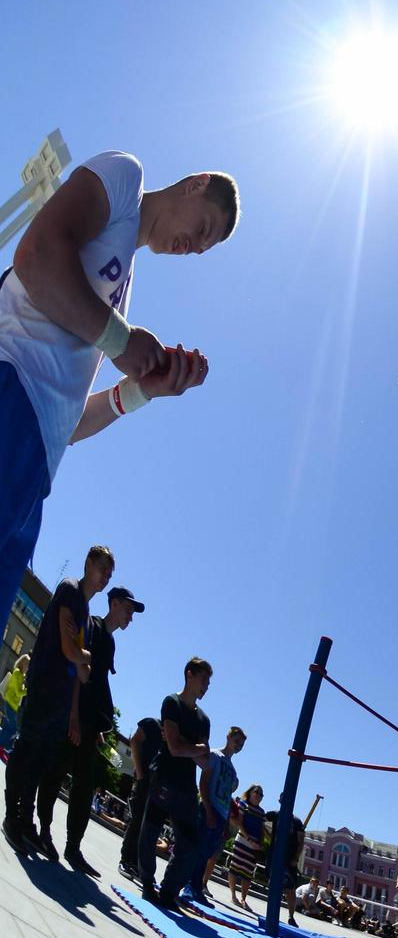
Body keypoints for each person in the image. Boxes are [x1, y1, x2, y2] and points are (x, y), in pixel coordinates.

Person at [0, 153, 235, 622]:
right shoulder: (127, 179)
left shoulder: (124, 284)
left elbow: (66, 423)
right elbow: (36, 255)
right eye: (203, 229)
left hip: (38, 465)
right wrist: (120, 341)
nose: (193, 247)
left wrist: (141, 391)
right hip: (10, 391)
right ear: (195, 182)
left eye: (201, 251)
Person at [3, 544, 110, 853]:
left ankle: (26, 819)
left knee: (40, 761)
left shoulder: (87, 616)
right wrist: (84, 656)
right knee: (26, 750)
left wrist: (75, 711)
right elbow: (69, 652)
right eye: (102, 568)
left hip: (63, 697)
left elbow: (85, 675)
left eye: (109, 573)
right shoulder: (70, 590)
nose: (104, 577)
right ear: (88, 563)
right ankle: (12, 816)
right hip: (47, 681)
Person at [35, 584, 140, 874]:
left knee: (84, 784)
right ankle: (43, 828)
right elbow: (78, 674)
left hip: (91, 722)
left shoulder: (110, 643)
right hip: (75, 715)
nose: (131, 616)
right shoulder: (92, 627)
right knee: (56, 771)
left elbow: (99, 683)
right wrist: (73, 717)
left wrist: (99, 726)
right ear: (115, 604)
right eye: (129, 609)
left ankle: (73, 847)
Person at [137, 656, 213, 911]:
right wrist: (197, 748)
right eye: (203, 679)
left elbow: (204, 762)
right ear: (189, 675)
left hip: (186, 787)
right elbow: (174, 747)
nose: (206, 685)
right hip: (165, 778)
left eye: (209, 682)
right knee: (150, 831)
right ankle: (147, 883)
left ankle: (169, 892)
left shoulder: (204, 720)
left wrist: (190, 747)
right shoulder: (172, 703)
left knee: (190, 844)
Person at [183, 725, 245, 906]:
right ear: (229, 739)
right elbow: (204, 782)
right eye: (237, 741)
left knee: (207, 853)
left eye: (241, 744)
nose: (238, 745)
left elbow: (228, 794)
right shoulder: (215, 756)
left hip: (222, 813)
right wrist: (208, 809)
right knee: (198, 849)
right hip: (209, 809)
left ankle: (197, 887)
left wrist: (225, 820)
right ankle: (187, 886)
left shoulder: (232, 770)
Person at [119, 714, 164, 879]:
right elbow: (135, 741)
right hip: (145, 778)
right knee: (137, 820)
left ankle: (138, 863)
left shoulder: (174, 736)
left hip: (159, 786)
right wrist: (139, 772)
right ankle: (125, 859)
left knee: (150, 826)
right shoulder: (152, 724)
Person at [264, 807, 306, 926]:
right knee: (273, 884)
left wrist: (296, 858)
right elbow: (260, 820)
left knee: (290, 889)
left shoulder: (296, 821)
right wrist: (269, 837)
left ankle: (291, 917)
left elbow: (301, 841)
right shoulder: (275, 815)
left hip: (289, 859)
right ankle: (271, 913)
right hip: (275, 856)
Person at [228, 784, 267, 911]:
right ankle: (233, 895)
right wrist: (249, 839)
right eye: (257, 792)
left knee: (248, 873)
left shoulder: (262, 812)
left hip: (254, 845)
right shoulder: (243, 805)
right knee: (235, 867)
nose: (259, 796)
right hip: (243, 841)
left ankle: (243, 898)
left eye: (261, 794)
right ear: (250, 792)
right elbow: (239, 822)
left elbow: (262, 829)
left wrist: (260, 844)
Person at [0, 653, 28, 753]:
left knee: (8, 725)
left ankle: (2, 744)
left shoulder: (22, 676)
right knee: (13, 727)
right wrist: (28, 691)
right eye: (27, 665)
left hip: (13, 705)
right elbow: (18, 692)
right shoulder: (17, 673)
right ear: (22, 663)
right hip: (10, 702)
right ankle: (6, 745)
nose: (27, 668)